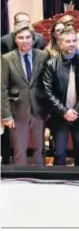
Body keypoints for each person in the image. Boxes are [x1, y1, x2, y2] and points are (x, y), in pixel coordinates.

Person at [1, 22, 49, 166]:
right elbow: (2, 89)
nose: (24, 41)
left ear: (33, 39)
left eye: (27, 37)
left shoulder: (43, 56)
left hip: (38, 110)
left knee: (39, 149)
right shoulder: (7, 58)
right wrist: (6, 115)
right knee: (19, 150)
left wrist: (48, 109)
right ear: (15, 39)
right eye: (21, 37)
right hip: (17, 111)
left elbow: (47, 85)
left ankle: (40, 178)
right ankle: (20, 180)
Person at [42, 29, 79, 166]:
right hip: (59, 115)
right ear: (60, 44)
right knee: (59, 152)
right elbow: (47, 92)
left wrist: (76, 109)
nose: (72, 44)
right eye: (68, 41)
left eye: (74, 41)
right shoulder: (51, 64)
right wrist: (64, 111)